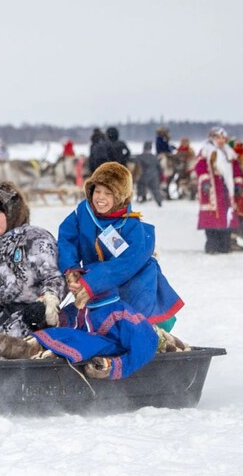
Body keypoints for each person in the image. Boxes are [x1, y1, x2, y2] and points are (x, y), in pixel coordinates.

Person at [43, 162, 185, 378]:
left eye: (108, 193)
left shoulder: (133, 227)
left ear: (119, 196)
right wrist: (71, 269)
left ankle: (137, 351)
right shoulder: (84, 212)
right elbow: (67, 238)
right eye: (97, 191)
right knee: (91, 319)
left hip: (133, 286)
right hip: (96, 285)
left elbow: (124, 266)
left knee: (130, 327)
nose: (100, 198)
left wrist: (90, 283)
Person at [0, 183, 65, 338]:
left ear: (12, 213)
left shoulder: (35, 238)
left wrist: (45, 305)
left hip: (34, 325)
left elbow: (54, 277)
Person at [195, 127, 241, 254]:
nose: (221, 140)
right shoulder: (206, 151)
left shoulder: (229, 153)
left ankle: (225, 245)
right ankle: (212, 246)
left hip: (226, 190)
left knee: (226, 217)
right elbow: (200, 167)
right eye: (218, 138)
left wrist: (238, 183)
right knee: (212, 218)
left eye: (223, 138)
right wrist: (205, 181)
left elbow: (236, 169)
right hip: (212, 190)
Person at [134, 141, 164, 207]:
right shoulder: (154, 157)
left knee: (141, 185)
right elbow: (159, 167)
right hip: (154, 175)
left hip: (144, 175)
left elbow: (137, 166)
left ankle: (141, 197)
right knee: (155, 189)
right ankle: (159, 201)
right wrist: (161, 174)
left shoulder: (140, 157)